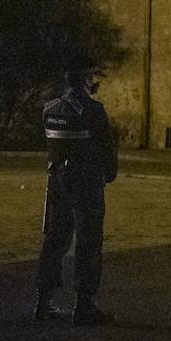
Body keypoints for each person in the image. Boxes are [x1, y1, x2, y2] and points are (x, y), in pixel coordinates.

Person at [34, 65, 119, 325]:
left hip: (57, 179)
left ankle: (43, 302)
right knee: (88, 242)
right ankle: (84, 305)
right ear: (85, 81)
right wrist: (109, 172)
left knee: (55, 239)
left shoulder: (50, 109)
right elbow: (107, 148)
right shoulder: (93, 110)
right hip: (85, 180)